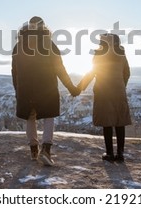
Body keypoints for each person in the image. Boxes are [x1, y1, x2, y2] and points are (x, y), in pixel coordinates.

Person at [12, 16, 80, 166]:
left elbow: (14, 72)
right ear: (43, 27)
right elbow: (59, 69)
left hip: (25, 89)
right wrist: (72, 88)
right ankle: (46, 150)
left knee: (30, 117)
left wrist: (18, 91)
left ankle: (33, 150)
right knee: (49, 117)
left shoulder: (18, 46)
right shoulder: (49, 44)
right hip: (46, 87)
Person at [78, 33, 131, 162]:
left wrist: (79, 88)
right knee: (120, 122)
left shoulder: (99, 55)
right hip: (119, 92)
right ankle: (120, 154)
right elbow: (127, 73)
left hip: (103, 92)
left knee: (107, 123)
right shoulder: (121, 54)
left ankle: (109, 154)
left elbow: (91, 73)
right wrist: (121, 85)